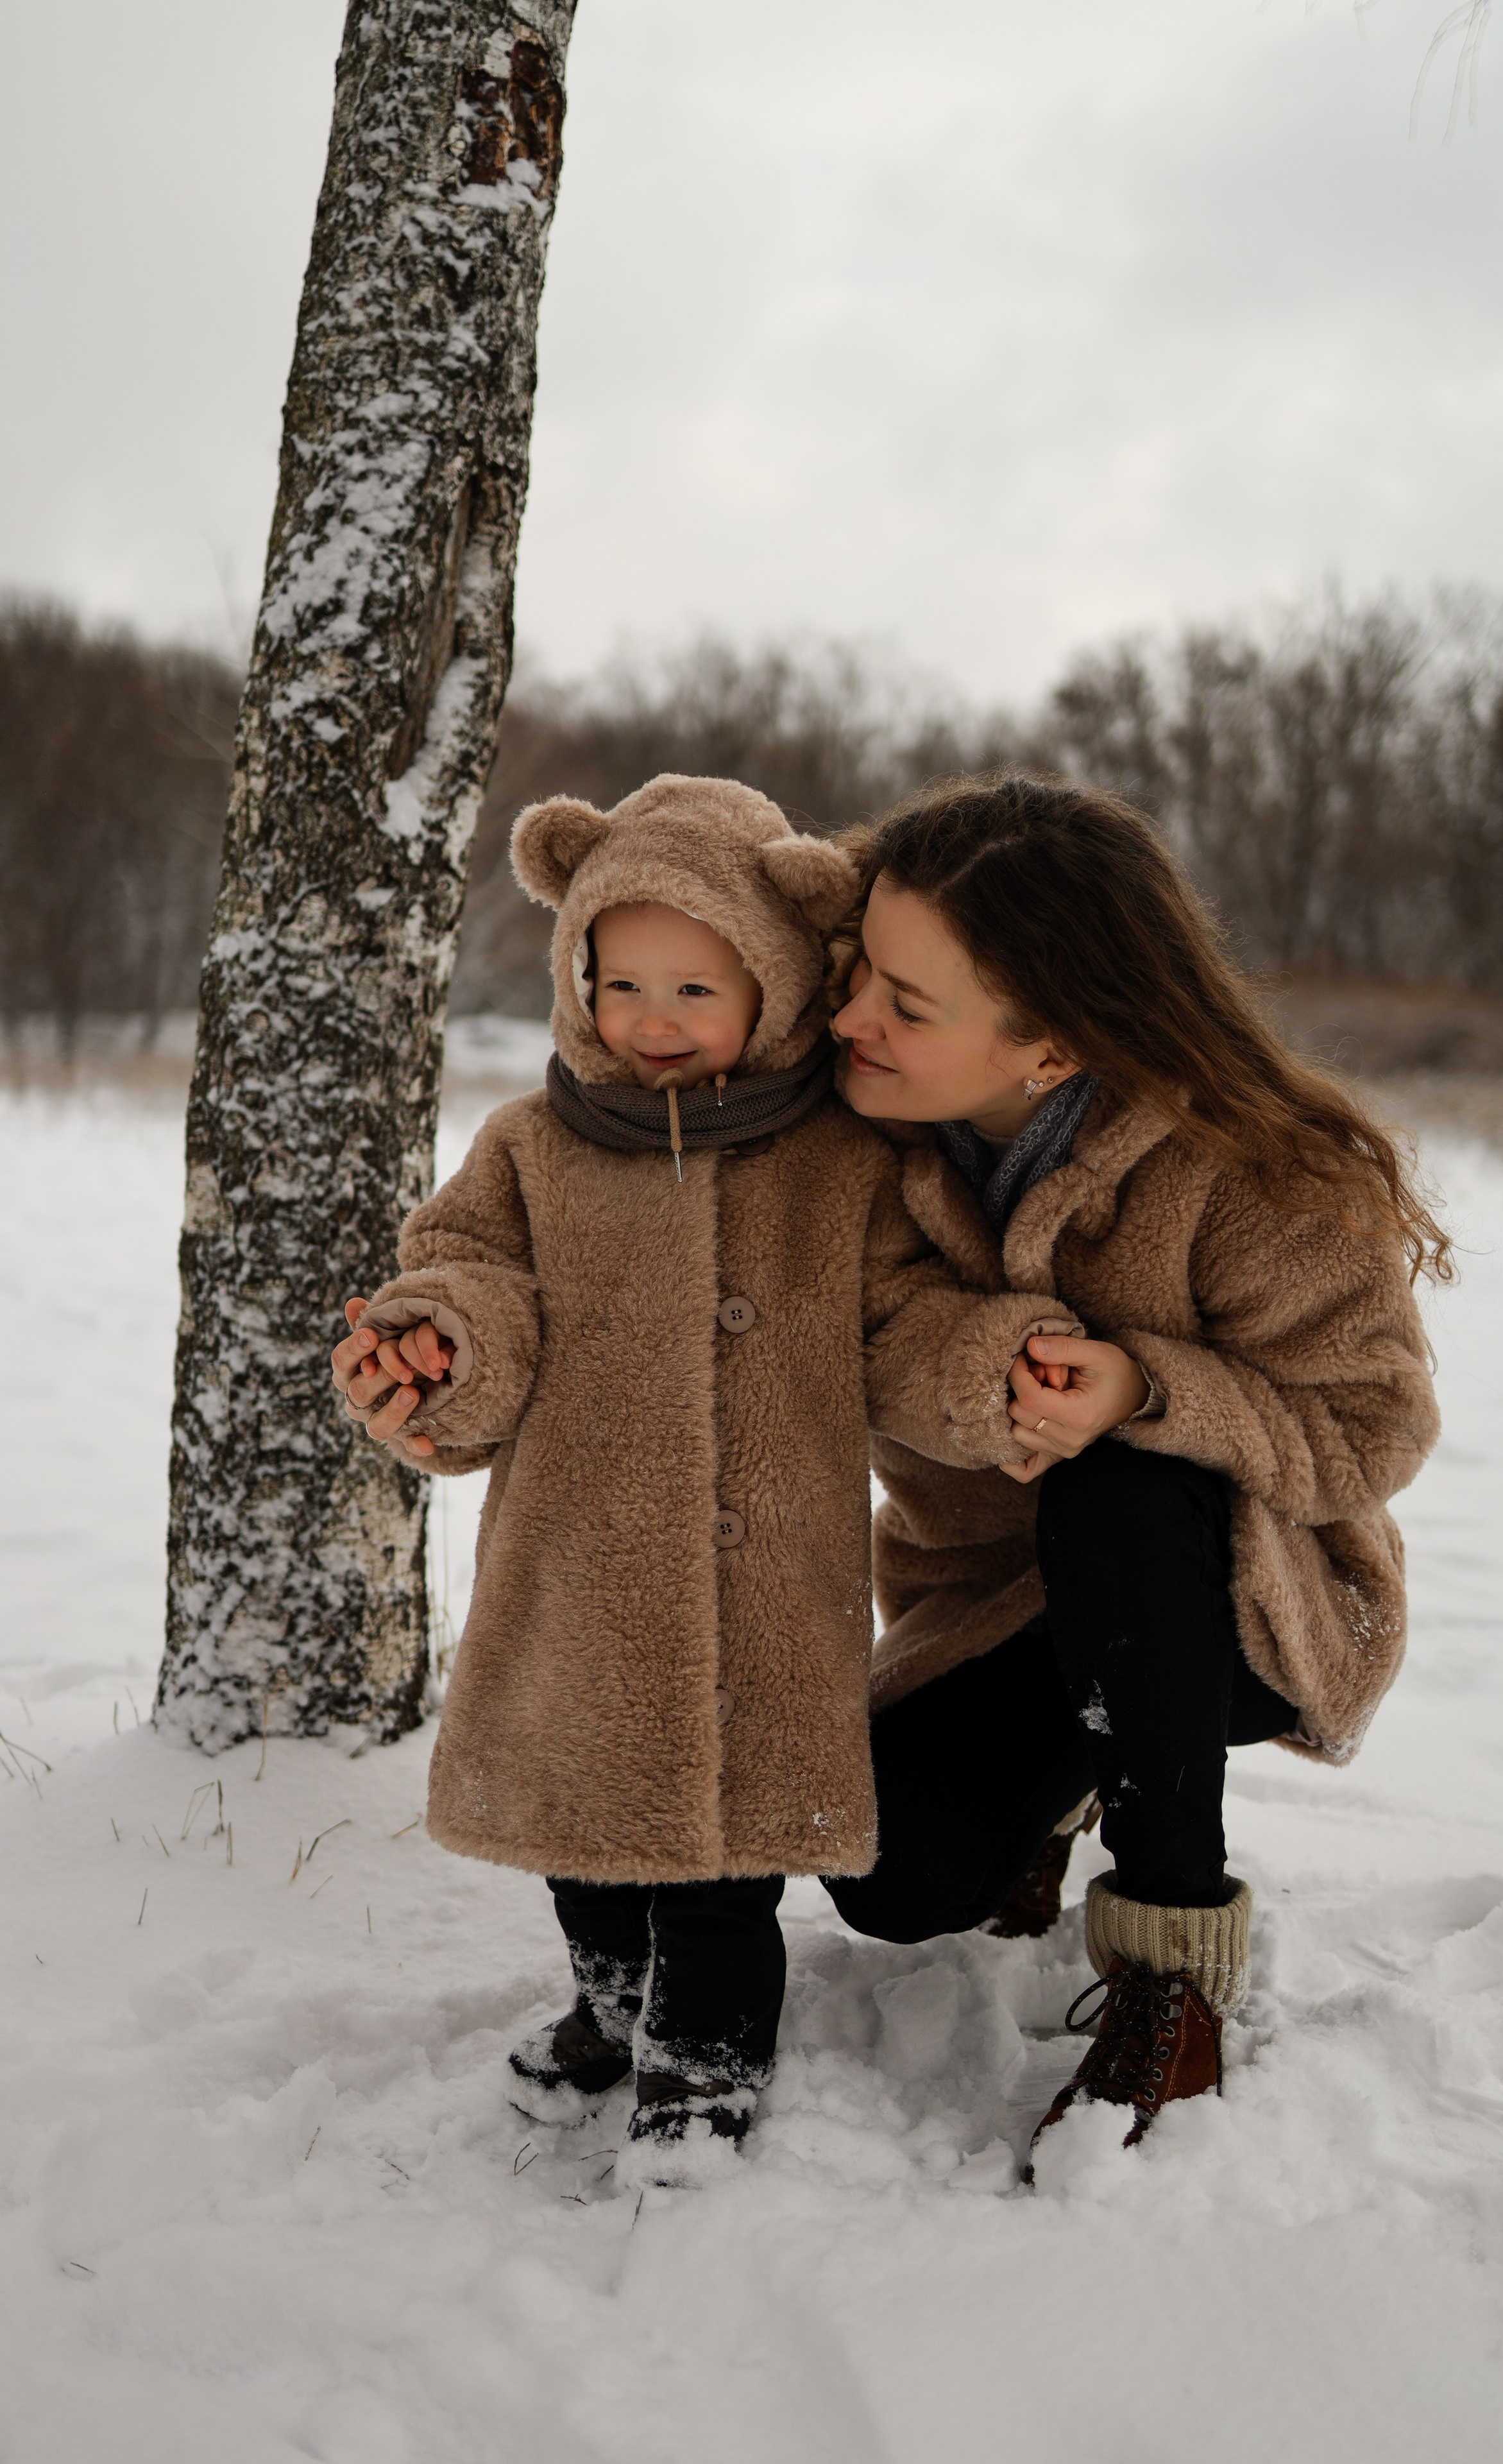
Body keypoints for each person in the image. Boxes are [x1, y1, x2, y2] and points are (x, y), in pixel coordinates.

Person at [328, 774, 1069, 2186]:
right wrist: (439, 1347)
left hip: (764, 1580)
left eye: (693, 989)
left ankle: (709, 2058)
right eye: (620, 984)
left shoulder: (838, 1162)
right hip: (578, 1566)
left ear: (776, 982)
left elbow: (901, 1325)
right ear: (574, 976)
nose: (652, 1020)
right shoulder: (532, 1147)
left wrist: (987, 1370)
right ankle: (612, 2001)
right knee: (587, 1833)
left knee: (727, 1862)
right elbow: (474, 1284)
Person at [825, 773, 1443, 2167]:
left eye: (904, 1003)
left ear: (1048, 1047)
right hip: (998, 1608)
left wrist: (1145, 1388)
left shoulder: (1248, 1174)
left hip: (1250, 1608)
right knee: (889, 1882)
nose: (851, 1015)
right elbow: (865, 1337)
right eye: (859, 969)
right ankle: (1065, 1781)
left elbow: (1370, 1428)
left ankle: (1172, 1973)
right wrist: (992, 1368)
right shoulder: (861, 1147)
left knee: (1118, 1480)